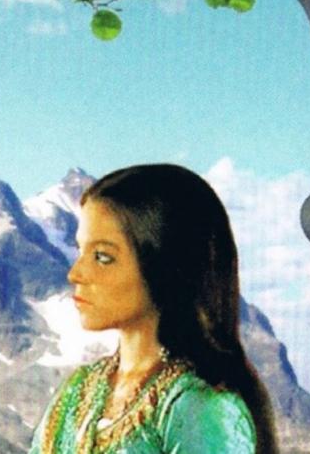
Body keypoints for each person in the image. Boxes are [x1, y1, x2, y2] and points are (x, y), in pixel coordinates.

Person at [30, 164, 278, 454]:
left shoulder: (199, 406)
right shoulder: (77, 391)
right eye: (79, 250)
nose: (75, 274)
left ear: (164, 267)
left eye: (102, 257)